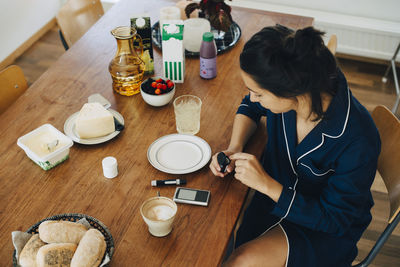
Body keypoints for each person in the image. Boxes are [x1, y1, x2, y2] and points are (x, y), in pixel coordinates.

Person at [209, 25, 381, 267]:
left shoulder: (358, 139)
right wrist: (234, 147)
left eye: (258, 93)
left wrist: (269, 186)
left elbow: (336, 219)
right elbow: (250, 106)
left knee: (239, 260)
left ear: (291, 92)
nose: (252, 97)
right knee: (219, 240)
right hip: (272, 200)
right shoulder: (298, 87)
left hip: (321, 227)